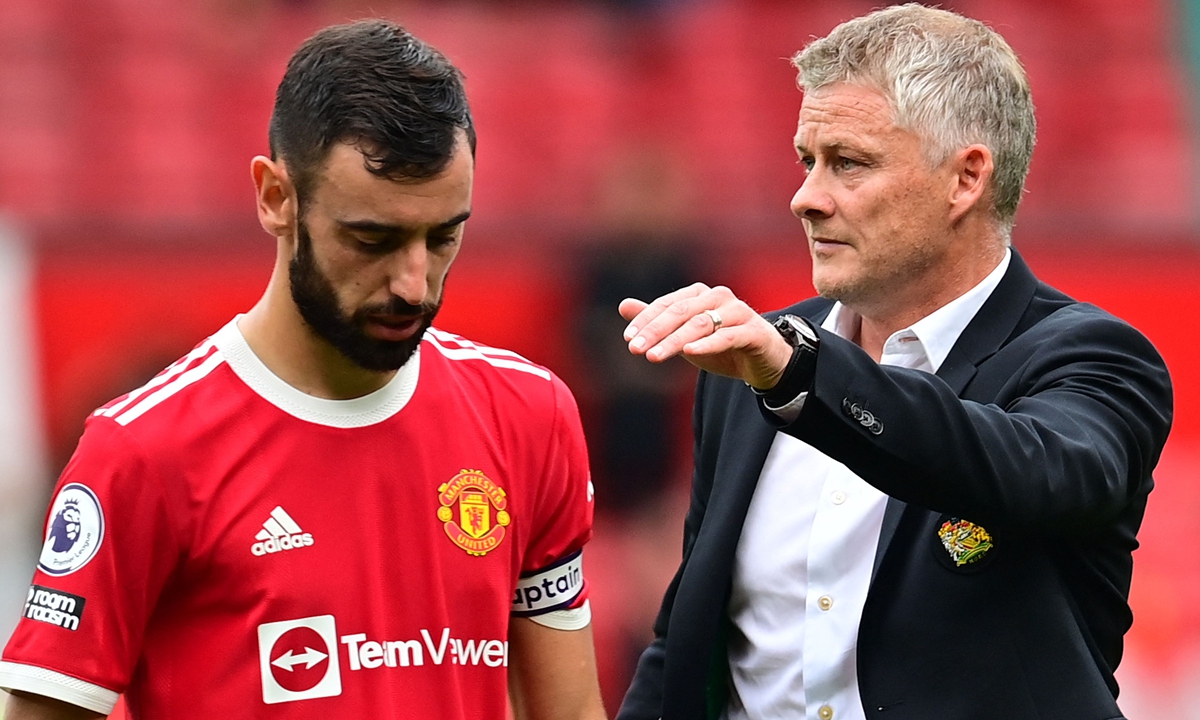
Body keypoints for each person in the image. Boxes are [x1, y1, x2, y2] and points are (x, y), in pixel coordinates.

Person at [1, 20, 605, 720]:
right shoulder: (143, 450)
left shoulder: (529, 415)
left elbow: (570, 710)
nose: (415, 283)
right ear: (276, 198)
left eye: (443, 236)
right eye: (371, 238)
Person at [615, 5, 1172, 720]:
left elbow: (1028, 470)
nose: (805, 199)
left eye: (847, 163)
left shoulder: (1094, 358)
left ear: (966, 179)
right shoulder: (759, 365)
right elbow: (692, 643)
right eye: (806, 161)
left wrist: (801, 377)